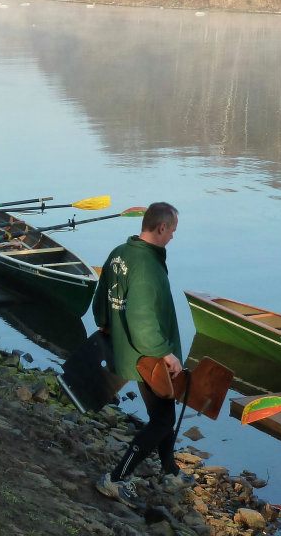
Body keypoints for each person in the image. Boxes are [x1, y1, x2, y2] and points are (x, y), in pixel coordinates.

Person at [92, 202, 184, 507]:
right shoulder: (145, 266)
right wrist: (165, 353)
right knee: (162, 419)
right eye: (172, 230)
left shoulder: (120, 252)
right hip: (147, 355)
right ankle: (115, 479)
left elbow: (101, 302)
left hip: (127, 348)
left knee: (164, 410)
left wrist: (107, 326)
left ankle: (169, 469)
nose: (173, 237)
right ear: (161, 228)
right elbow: (142, 318)